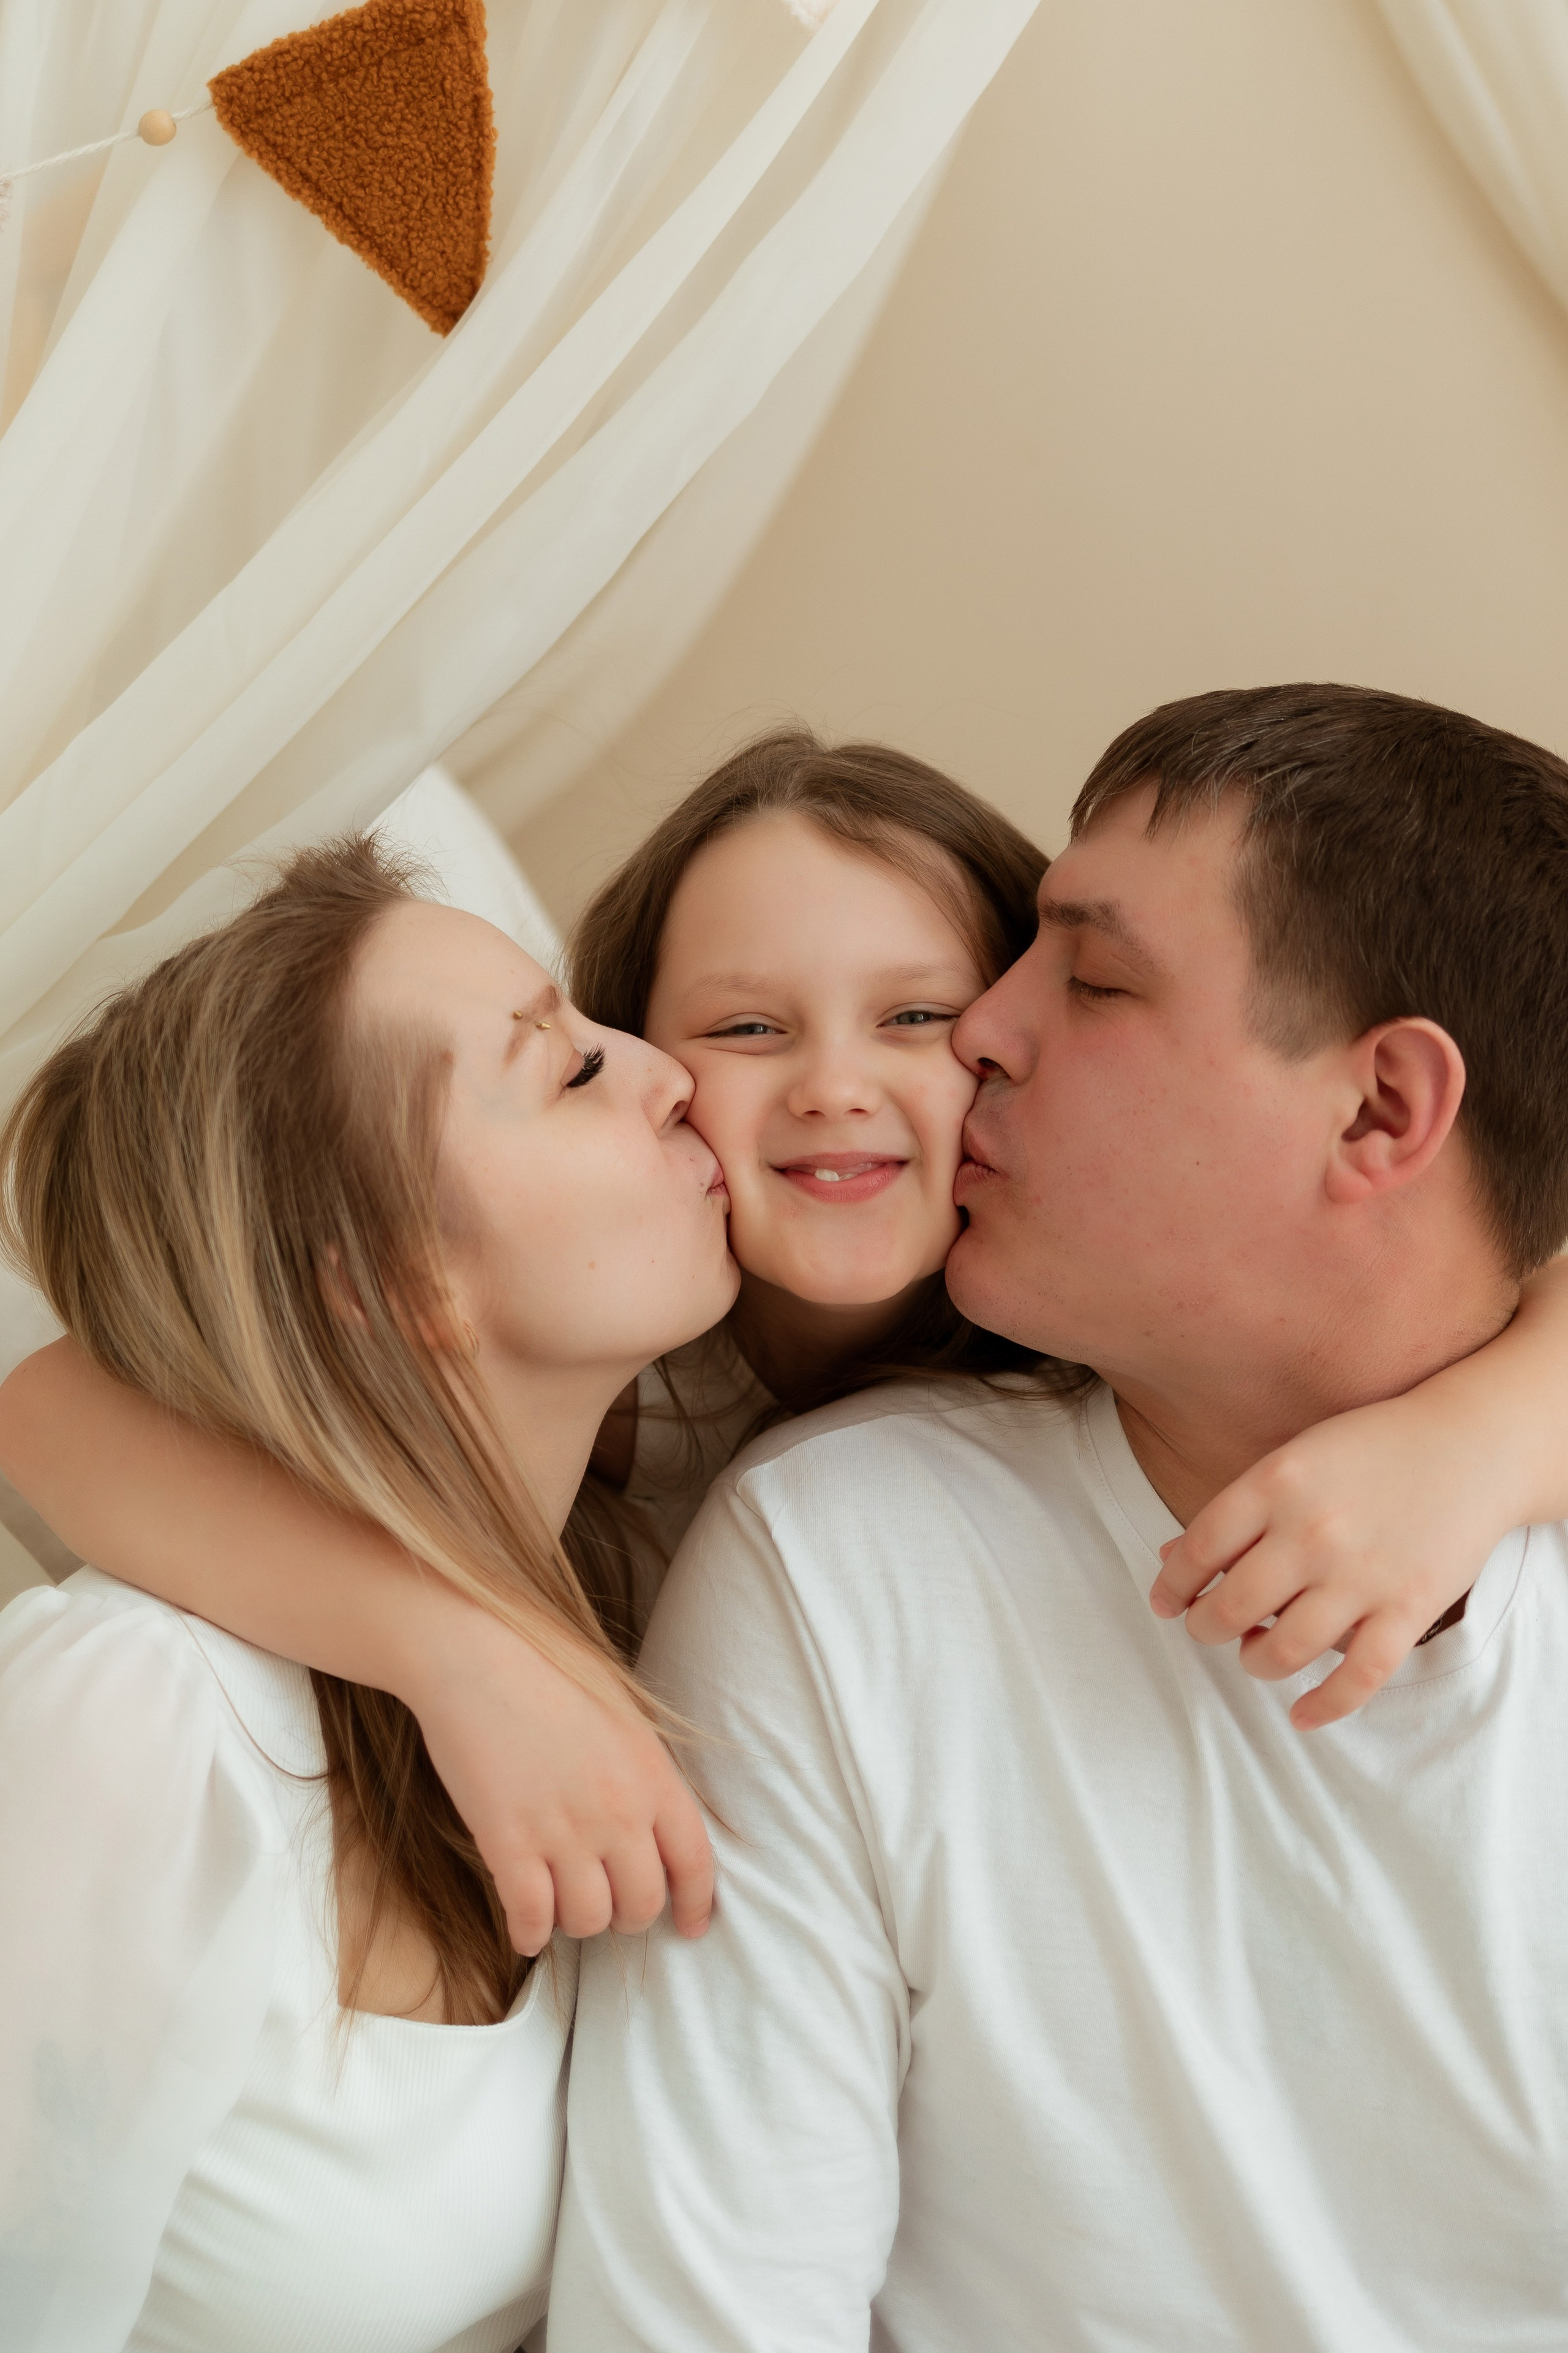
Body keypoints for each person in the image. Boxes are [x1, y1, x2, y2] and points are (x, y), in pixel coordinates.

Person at [4, 733, 1568, 1959]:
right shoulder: (616, 1389)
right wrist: (462, 1650)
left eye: (916, 1019)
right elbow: (41, 1408)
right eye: (744, 1030)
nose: (829, 1085)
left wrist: (1479, 1437)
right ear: (642, 1063)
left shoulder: (1127, 1348)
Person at [546, 685, 1568, 2352]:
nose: (979, 1039)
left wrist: (1480, 1440)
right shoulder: (834, 1557)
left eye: (1089, 980)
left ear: (1382, 1111)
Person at [0, 836, 736, 2352]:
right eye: (569, 1069)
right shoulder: (142, 1722)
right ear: (390, 1279)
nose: (665, 1072)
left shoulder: (665, 1584)